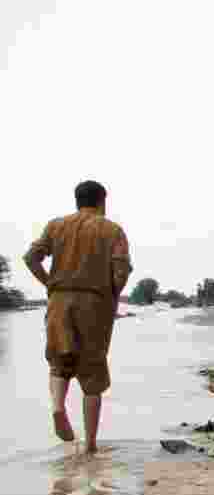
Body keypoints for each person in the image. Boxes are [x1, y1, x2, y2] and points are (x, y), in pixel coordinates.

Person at [23, 180, 133, 453]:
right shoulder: (112, 230)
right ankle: (91, 446)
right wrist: (111, 296)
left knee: (59, 362)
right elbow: (120, 270)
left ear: (77, 200)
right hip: (94, 304)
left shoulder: (57, 226)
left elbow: (31, 258)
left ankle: (58, 407)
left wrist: (49, 284)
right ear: (102, 201)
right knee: (92, 374)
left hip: (59, 300)